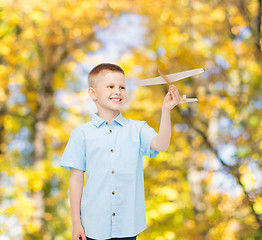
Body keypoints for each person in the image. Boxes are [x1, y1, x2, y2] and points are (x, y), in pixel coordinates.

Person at [59, 63, 183, 240]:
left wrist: (166, 111)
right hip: (92, 227)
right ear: (93, 93)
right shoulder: (81, 134)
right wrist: (76, 222)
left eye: (122, 87)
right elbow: (76, 180)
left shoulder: (138, 129)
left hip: (127, 226)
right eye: (110, 86)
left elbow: (161, 145)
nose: (118, 91)